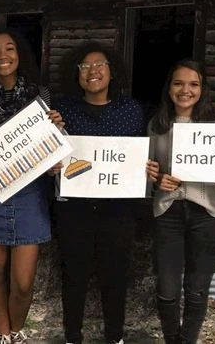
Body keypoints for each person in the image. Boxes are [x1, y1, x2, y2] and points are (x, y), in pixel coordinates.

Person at [0, 29, 63, 344]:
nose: (2, 56)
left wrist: (57, 131)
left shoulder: (40, 96)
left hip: (29, 196)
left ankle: (17, 330)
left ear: (20, 54)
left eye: (9, 48)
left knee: (22, 281)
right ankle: (3, 336)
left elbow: (48, 145)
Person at [146, 59, 215, 344]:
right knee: (167, 289)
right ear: (169, 89)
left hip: (208, 215)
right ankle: (172, 339)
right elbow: (147, 172)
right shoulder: (157, 126)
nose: (185, 90)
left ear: (202, 90)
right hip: (167, 212)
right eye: (178, 83)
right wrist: (156, 180)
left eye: (193, 84)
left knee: (196, 288)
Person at [52, 42, 147, 344]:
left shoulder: (132, 111)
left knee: (116, 275)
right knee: (74, 276)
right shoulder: (61, 110)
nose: (92, 71)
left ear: (112, 70)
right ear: (76, 73)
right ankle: (72, 337)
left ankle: (115, 337)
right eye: (85, 66)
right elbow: (49, 152)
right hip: (74, 207)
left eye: (99, 64)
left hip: (118, 209)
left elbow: (140, 156)